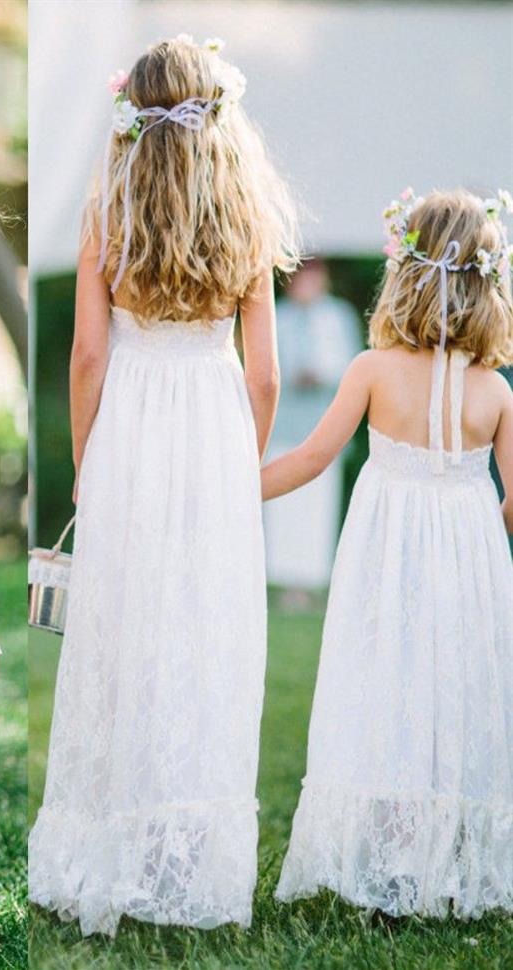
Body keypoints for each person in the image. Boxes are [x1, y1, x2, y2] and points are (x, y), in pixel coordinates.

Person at [28, 35, 298, 935]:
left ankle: (111, 841)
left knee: (125, 626)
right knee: (206, 630)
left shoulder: (108, 206)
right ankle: (189, 858)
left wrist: (85, 465)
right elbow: (263, 375)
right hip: (213, 427)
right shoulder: (247, 214)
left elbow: (89, 354)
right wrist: (237, 461)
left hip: (134, 424)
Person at [268, 188, 513, 917]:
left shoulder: (372, 369)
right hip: (470, 562)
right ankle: (447, 854)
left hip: (387, 556)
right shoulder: (496, 390)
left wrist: (232, 490)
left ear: (403, 273)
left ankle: (395, 850)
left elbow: (312, 458)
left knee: (388, 681)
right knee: (457, 685)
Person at [264, 259, 361, 592]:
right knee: (284, 509)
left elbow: (354, 367)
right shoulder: (278, 315)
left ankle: (313, 579)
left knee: (318, 506)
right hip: (285, 424)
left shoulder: (339, 316)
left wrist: (321, 373)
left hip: (323, 427)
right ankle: (283, 579)